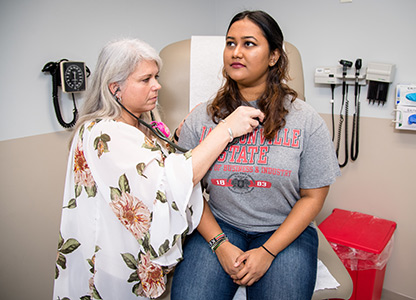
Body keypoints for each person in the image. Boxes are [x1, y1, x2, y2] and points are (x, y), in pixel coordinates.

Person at [52, 38, 264, 300]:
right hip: (112, 266)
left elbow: (147, 170)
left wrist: (173, 139)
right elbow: (170, 182)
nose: (157, 86)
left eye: (157, 76)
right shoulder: (102, 133)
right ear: (115, 88)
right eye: (146, 79)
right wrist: (226, 130)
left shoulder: (140, 125)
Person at [171, 10, 340, 300]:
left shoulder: (305, 120)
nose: (236, 52)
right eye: (230, 43)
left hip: (284, 231)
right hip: (220, 223)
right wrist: (220, 245)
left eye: (249, 43)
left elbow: (314, 197)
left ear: (273, 56)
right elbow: (185, 187)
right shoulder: (203, 117)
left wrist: (267, 251)